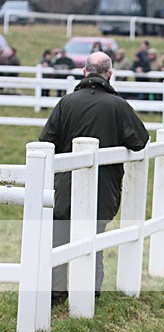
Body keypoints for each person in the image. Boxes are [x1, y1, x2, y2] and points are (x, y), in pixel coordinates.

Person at [39, 52, 149, 305]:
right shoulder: (118, 106)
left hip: (65, 186)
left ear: (84, 72)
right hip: (103, 189)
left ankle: (56, 292)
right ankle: (90, 290)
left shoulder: (66, 104)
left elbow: (47, 142)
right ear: (109, 74)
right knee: (94, 238)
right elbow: (139, 141)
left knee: (59, 238)